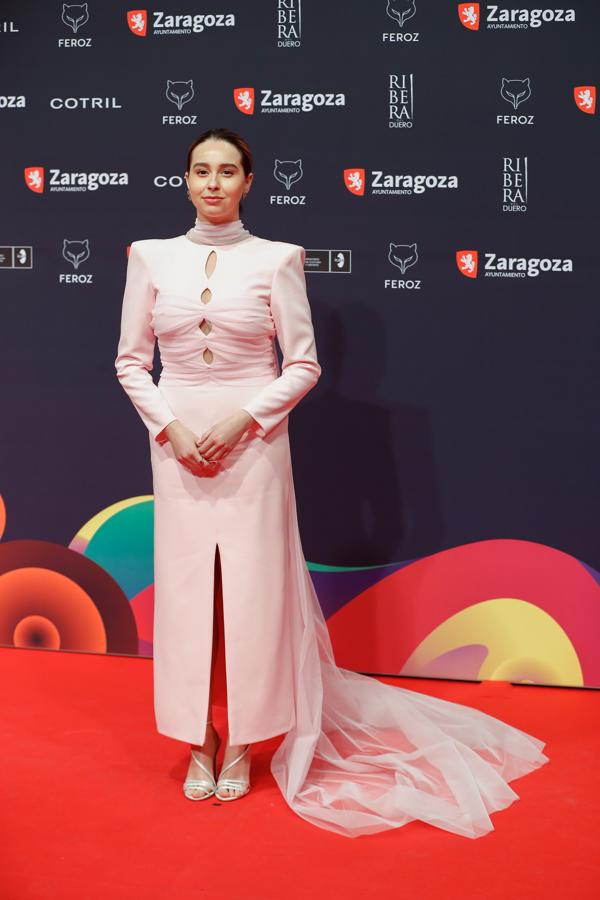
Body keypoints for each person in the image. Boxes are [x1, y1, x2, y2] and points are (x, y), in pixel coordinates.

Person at [115, 127, 549, 837]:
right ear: (185, 180)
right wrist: (173, 430)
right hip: (177, 448)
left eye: (228, 171)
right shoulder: (149, 257)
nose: (214, 184)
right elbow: (132, 362)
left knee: (254, 596)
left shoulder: (278, 259)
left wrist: (242, 423)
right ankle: (198, 739)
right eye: (201, 171)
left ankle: (250, 739)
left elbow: (303, 364)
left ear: (249, 181)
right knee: (189, 598)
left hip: (253, 448)